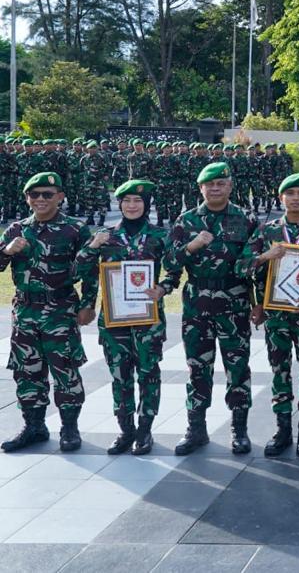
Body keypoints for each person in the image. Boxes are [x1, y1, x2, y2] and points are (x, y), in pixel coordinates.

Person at [162, 161, 258, 456]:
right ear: (200, 188)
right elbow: (169, 262)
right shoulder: (186, 220)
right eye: (209, 184)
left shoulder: (246, 219)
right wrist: (191, 246)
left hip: (235, 301)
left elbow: (254, 265)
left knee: (237, 368)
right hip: (197, 304)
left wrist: (259, 304)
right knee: (197, 368)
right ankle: (196, 428)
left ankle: (239, 430)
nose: (215, 188)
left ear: (230, 186)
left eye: (221, 183)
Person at [0, 172, 95, 452]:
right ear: (27, 198)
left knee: (65, 370)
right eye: (34, 195)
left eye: (47, 194)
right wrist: (6, 251)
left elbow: (90, 271)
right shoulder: (16, 229)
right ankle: (34, 426)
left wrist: (88, 304)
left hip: (60, 309)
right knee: (27, 371)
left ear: (60, 197)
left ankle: (69, 428)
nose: (40, 200)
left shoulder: (76, 230)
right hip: (26, 310)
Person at [238, 173, 299, 458]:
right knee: (279, 370)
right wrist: (265, 256)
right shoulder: (267, 231)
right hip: (275, 314)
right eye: (290, 194)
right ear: (281, 198)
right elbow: (241, 267)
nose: (296, 198)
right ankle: (282, 428)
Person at [76, 180, 168, 455]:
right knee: (120, 374)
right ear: (119, 204)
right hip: (114, 318)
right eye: (126, 201)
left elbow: (175, 269)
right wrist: (93, 245)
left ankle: (145, 431)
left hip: (148, 317)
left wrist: (164, 287)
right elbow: (80, 269)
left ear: (146, 204)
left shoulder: (159, 235)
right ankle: (125, 430)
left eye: (137, 201)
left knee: (149, 373)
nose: (131, 205)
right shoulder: (106, 235)